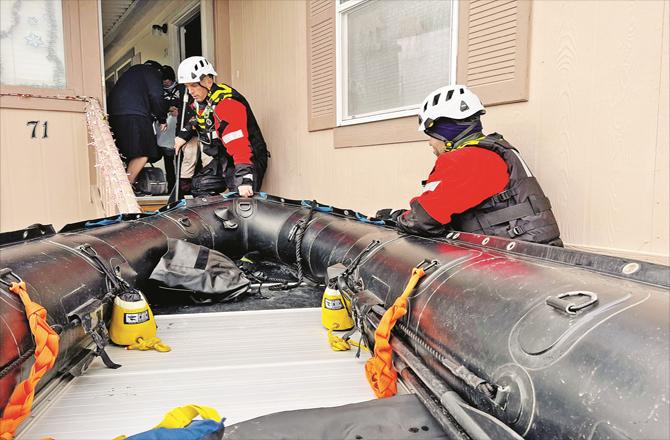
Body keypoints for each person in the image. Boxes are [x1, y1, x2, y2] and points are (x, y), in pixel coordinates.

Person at [377, 85, 562, 246]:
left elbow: (425, 220)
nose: (430, 144)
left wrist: (397, 219)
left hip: (516, 260)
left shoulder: (468, 159)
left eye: (431, 136)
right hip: (534, 250)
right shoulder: (494, 150)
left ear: (446, 134)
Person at [174, 56, 269, 198]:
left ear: (208, 80)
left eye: (194, 85)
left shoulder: (227, 104)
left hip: (247, 159)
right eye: (187, 87)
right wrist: (184, 135)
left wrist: (245, 179)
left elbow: (239, 144)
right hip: (225, 157)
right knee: (200, 185)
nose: (190, 91)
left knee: (241, 200)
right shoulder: (203, 101)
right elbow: (200, 119)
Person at [108, 60, 168, 185]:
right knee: (143, 152)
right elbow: (157, 96)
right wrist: (162, 118)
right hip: (135, 115)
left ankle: (128, 183)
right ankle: (126, 188)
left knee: (128, 153)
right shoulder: (153, 73)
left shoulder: (131, 73)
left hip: (114, 114)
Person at [156, 65, 185, 194]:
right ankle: (171, 187)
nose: (166, 82)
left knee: (182, 159)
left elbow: (187, 104)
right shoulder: (157, 91)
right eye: (164, 80)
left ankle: (182, 188)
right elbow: (155, 105)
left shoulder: (182, 88)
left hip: (181, 129)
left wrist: (179, 110)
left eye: (168, 79)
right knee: (168, 159)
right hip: (165, 130)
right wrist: (168, 109)